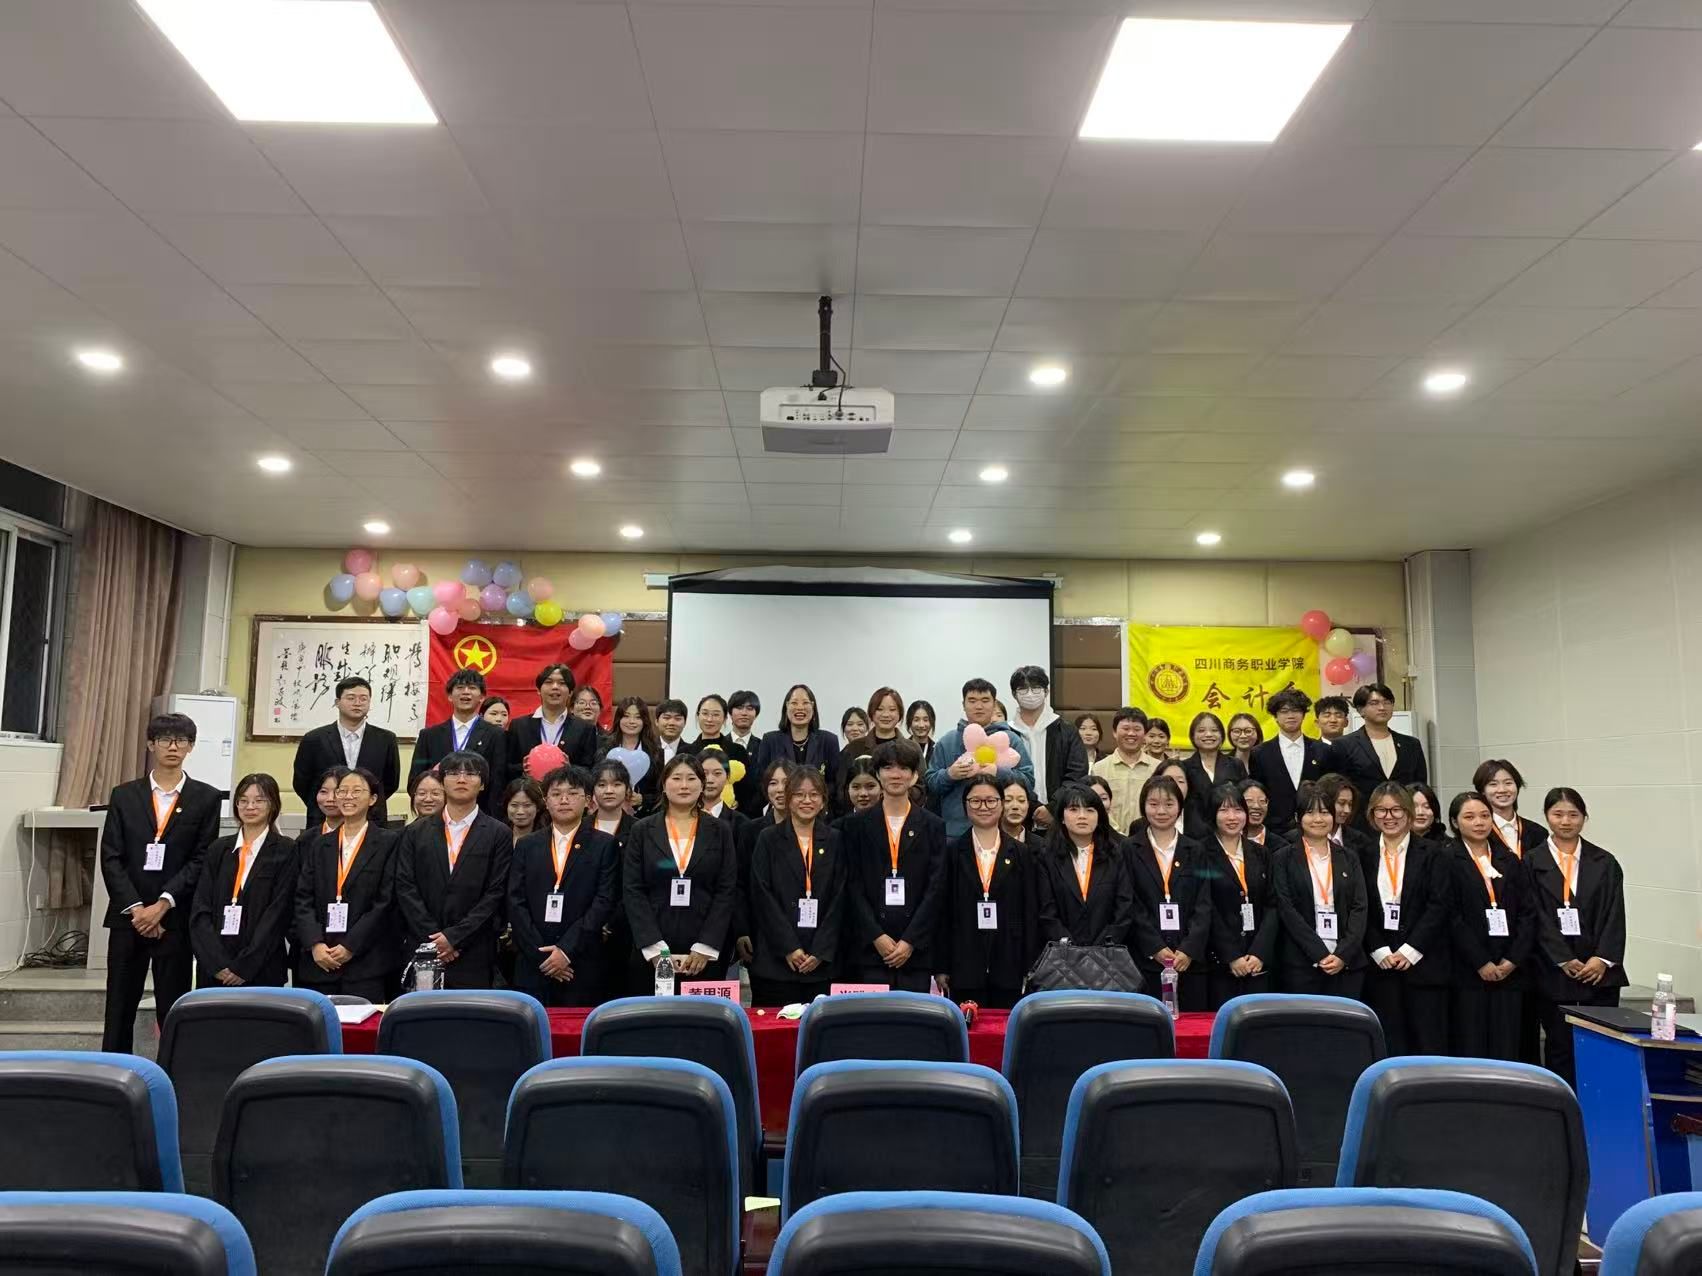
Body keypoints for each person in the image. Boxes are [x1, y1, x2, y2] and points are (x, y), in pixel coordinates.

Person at [99, 713, 221, 1053]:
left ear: (191, 746)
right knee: (119, 1005)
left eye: (181, 740)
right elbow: (111, 856)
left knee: (173, 1006)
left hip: (175, 918)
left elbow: (201, 858)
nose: (173, 746)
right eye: (165, 739)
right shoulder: (124, 795)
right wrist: (138, 909)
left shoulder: (206, 797)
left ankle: (174, 1072)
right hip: (129, 918)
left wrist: (163, 904)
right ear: (151, 744)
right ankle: (114, 1069)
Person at [1528, 787, 1627, 1085]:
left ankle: (1600, 1107)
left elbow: (1615, 914)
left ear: (1585, 817)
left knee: (1602, 1045)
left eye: (1573, 814)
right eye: (1558, 814)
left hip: (1600, 974)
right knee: (1560, 1047)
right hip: (1554, 971)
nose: (1566, 821)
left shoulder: (1605, 861)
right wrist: (1563, 958)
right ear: (1546, 817)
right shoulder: (1531, 861)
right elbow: (1535, 916)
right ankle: (1563, 1104)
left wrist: (1602, 959)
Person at [394, 750, 513, 988]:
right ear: (443, 781)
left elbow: (496, 892)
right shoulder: (415, 832)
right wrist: (434, 938)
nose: (461, 779)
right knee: (421, 1010)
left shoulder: (498, 833)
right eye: (454, 773)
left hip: (473, 949)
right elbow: (405, 886)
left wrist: (455, 937)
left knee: (469, 1011)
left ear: (482, 784)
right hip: (423, 946)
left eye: (471, 773)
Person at [623, 753, 740, 987]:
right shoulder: (642, 830)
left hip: (704, 950)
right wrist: (655, 947)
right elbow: (633, 889)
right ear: (664, 785)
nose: (684, 785)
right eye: (676, 778)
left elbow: (726, 889)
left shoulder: (720, 830)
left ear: (701, 785)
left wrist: (705, 947)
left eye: (691, 778)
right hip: (652, 949)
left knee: (699, 1011)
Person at [507, 764, 619, 1007]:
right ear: (546, 802)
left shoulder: (604, 845)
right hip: (533, 964)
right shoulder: (527, 845)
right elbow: (515, 901)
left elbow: (604, 901)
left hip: (581, 963)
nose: (564, 800)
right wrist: (542, 955)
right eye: (556, 794)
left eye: (572, 793)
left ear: (588, 801)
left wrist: (566, 951)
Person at [841, 739, 946, 991]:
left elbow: (935, 888)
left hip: (916, 951)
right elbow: (852, 884)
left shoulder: (933, 825)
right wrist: (876, 936)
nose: (896, 774)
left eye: (904, 768)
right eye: (888, 768)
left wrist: (910, 941)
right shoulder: (855, 825)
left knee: (912, 1015)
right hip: (869, 950)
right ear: (878, 774)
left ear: (914, 776)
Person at [1359, 781, 1453, 1055]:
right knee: (1389, 1045)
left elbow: (1439, 905)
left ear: (1409, 812)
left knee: (1428, 1045)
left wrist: (1410, 950)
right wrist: (1378, 949)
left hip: (1424, 965)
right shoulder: (1362, 854)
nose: (1389, 817)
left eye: (1396, 809)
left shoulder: (1433, 853)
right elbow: (1360, 906)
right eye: (1381, 810)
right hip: (1380, 967)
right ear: (1372, 814)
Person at [292, 766, 401, 1001]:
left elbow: (385, 901)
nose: (347, 797)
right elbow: (303, 898)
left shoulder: (389, 842)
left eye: (356, 791)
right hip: (319, 962)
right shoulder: (320, 844)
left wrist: (351, 945)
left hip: (366, 963)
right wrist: (315, 944)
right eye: (342, 791)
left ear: (373, 799)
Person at [1447, 790, 1535, 1062]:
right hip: (1467, 969)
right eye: (1469, 817)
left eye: (1485, 816)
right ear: (1455, 822)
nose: (1479, 822)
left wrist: (1512, 960)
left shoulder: (1509, 859)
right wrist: (1480, 961)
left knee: (1507, 1045)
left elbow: (1528, 912)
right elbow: (1450, 915)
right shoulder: (1445, 858)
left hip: (1509, 968)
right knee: (1471, 1044)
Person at [189, 773, 297, 990]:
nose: (250, 806)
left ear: (273, 805)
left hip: (262, 968)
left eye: (259, 800)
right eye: (243, 800)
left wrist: (244, 966)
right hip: (215, 970)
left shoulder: (286, 849)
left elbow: (278, 914)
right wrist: (217, 963)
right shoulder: (219, 849)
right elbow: (201, 908)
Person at [750, 766, 845, 1004]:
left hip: (822, 962)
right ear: (788, 798)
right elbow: (762, 895)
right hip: (776, 961)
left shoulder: (835, 839)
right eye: (799, 794)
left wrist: (821, 951)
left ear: (823, 801)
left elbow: (840, 897)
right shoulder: (768, 838)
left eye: (814, 795)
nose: (807, 800)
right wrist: (789, 947)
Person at [939, 774, 1035, 1009]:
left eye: (991, 800)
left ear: (1001, 804)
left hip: (1010, 961)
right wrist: (941, 966)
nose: (984, 807)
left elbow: (1030, 911)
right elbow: (941, 911)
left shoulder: (1021, 853)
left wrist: (1030, 965)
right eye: (975, 801)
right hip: (964, 963)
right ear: (965, 806)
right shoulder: (951, 852)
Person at [1124, 774, 1212, 1009]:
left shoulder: (1195, 849)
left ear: (1180, 807)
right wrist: (1154, 947)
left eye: (1169, 804)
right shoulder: (1128, 849)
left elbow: (1204, 903)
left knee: (1192, 1025)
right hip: (1145, 960)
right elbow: (1129, 902)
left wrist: (1189, 949)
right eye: (1153, 804)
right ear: (1143, 806)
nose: (1161, 811)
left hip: (1189, 962)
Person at [1273, 781, 1368, 997]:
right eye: (1310, 812)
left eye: (1325, 812)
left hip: (1347, 964)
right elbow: (1287, 909)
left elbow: (1359, 907)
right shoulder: (1283, 858)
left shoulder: (1349, 857)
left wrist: (1343, 954)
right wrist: (1319, 953)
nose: (1318, 819)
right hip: (1301, 964)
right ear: (1298, 818)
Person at [1200, 782, 1279, 1008]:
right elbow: (1205, 906)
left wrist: (1259, 952)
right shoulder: (1200, 852)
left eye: (1238, 810)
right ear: (1213, 814)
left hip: (1257, 962)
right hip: (1219, 962)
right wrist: (1231, 955)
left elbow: (1272, 905)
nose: (1232, 817)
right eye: (1224, 810)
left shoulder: (1260, 853)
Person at [927, 678, 1036, 838]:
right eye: (972, 701)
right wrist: (949, 775)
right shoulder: (947, 742)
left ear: (994, 704)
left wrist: (999, 772)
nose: (979, 706)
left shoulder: (1010, 740)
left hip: (1003, 833)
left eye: (985, 700)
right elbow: (931, 783)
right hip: (956, 833)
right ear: (963, 704)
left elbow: (1028, 782)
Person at [1036, 781, 1134, 952]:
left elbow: (1124, 907)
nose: (1082, 816)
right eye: (1074, 809)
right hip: (1062, 954)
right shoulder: (1047, 857)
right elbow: (1046, 911)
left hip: (1108, 954)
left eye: (1089, 810)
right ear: (1062, 817)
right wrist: (1070, 947)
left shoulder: (1115, 855)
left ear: (1099, 816)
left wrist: (1103, 946)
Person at [291, 676, 401, 824]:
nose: (357, 703)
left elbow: (391, 782)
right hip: (324, 819)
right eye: (351, 698)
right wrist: (329, 804)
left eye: (363, 699)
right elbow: (301, 782)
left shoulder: (386, 739)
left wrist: (362, 802)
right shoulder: (314, 739)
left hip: (371, 819)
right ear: (337, 702)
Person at [1326, 683, 1428, 830]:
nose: (1382, 707)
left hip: (1403, 821)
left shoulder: (1411, 744)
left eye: (1387, 702)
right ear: (1361, 710)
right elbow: (1337, 789)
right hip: (1361, 824)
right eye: (1374, 703)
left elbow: (1420, 785)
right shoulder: (1343, 745)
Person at [411, 669, 508, 816]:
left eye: (472, 688)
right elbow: (416, 779)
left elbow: (498, 782)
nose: (466, 692)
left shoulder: (496, 735)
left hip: (479, 815)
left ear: (482, 697)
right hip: (437, 817)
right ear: (450, 696)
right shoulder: (429, 735)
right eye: (460, 687)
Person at [1007, 667, 1086, 832]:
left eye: (1036, 688)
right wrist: (1033, 807)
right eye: (1023, 689)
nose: (1030, 694)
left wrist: (1053, 807)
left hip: (1061, 819)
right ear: (1014, 694)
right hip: (1017, 821)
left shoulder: (1067, 731)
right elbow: (1006, 775)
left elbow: (1077, 774)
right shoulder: (1007, 734)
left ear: (1046, 691)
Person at [735, 762, 793, 966]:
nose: (780, 789)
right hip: (759, 931)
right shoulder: (750, 831)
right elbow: (740, 884)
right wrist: (742, 930)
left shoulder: (816, 831)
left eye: (786, 782)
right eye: (773, 783)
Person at [1249, 689, 1329, 835]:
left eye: (1296, 710)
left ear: (1304, 714)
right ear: (1275, 716)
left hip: (1315, 827)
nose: (1290, 716)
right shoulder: (1259, 753)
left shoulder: (1322, 750)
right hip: (1274, 831)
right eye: (1284, 711)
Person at [510, 664, 600, 778]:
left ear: (570, 692)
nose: (555, 687)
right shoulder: (519, 726)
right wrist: (523, 768)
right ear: (538, 690)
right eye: (549, 682)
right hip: (530, 787)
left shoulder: (585, 728)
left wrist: (571, 769)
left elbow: (590, 770)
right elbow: (508, 767)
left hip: (566, 788)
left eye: (562, 683)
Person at [753, 684, 840, 795]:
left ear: (813, 707)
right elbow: (762, 781)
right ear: (787, 706)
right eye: (794, 703)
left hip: (816, 803)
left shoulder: (829, 741)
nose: (800, 707)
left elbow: (834, 783)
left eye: (805, 703)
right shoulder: (770, 740)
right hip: (781, 803)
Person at [1088, 706, 1158, 835]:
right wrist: (1116, 835)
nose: (1131, 733)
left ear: (1145, 734)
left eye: (1137, 729)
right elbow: (1095, 806)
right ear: (1114, 732)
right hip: (1109, 838)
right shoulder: (1099, 768)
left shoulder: (1157, 768)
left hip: (1148, 838)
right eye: (1125, 729)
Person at [1180, 712, 1247, 833]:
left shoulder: (1235, 764)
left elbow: (1244, 800)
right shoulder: (1184, 767)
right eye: (1201, 730)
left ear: (1222, 735)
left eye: (1214, 730)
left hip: (1230, 831)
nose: (1208, 734)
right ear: (1192, 736)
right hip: (1195, 834)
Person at [1475, 758, 1545, 859]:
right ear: (1482, 790)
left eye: (1508, 783)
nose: (1502, 790)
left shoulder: (1538, 832)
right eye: (1493, 784)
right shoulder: (1478, 832)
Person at [684, 695, 751, 784]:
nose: (709, 719)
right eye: (705, 713)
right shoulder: (685, 752)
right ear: (698, 715)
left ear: (725, 718)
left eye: (716, 714)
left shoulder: (738, 751)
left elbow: (747, 786)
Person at [838, 687, 905, 769]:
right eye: (879, 709)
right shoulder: (854, 747)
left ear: (900, 713)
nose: (886, 714)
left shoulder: (912, 748)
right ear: (871, 712)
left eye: (892, 709)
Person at [725, 690, 763, 811]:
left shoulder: (763, 746)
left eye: (750, 708)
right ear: (730, 712)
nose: (744, 713)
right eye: (739, 708)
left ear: (756, 714)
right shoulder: (720, 745)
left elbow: (765, 783)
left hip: (754, 814)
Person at [1239, 778, 1286, 851]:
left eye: (1262, 801)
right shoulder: (1225, 842)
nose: (1257, 806)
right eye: (1249, 801)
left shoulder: (1281, 846)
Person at [1000, 779, 1042, 852]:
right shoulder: (985, 843)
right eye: (1008, 800)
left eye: (1021, 800)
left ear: (1028, 805)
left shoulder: (1042, 846)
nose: (1015, 806)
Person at [837, 755, 882, 823]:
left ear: (882, 788)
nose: (863, 793)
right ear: (848, 789)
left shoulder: (893, 823)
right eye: (856, 787)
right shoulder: (839, 826)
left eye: (870, 786)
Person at [307, 766, 345, 838]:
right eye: (323, 791)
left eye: (338, 792)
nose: (330, 799)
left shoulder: (364, 836)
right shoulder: (307, 838)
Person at [654, 698, 689, 764]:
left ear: (685, 723)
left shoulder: (693, 752)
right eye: (666, 718)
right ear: (656, 721)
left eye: (677, 719)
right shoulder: (646, 750)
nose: (671, 723)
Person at [906, 700, 938, 770]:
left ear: (932, 722)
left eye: (925, 720)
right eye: (916, 720)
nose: (921, 725)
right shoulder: (901, 748)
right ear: (909, 722)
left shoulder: (937, 750)